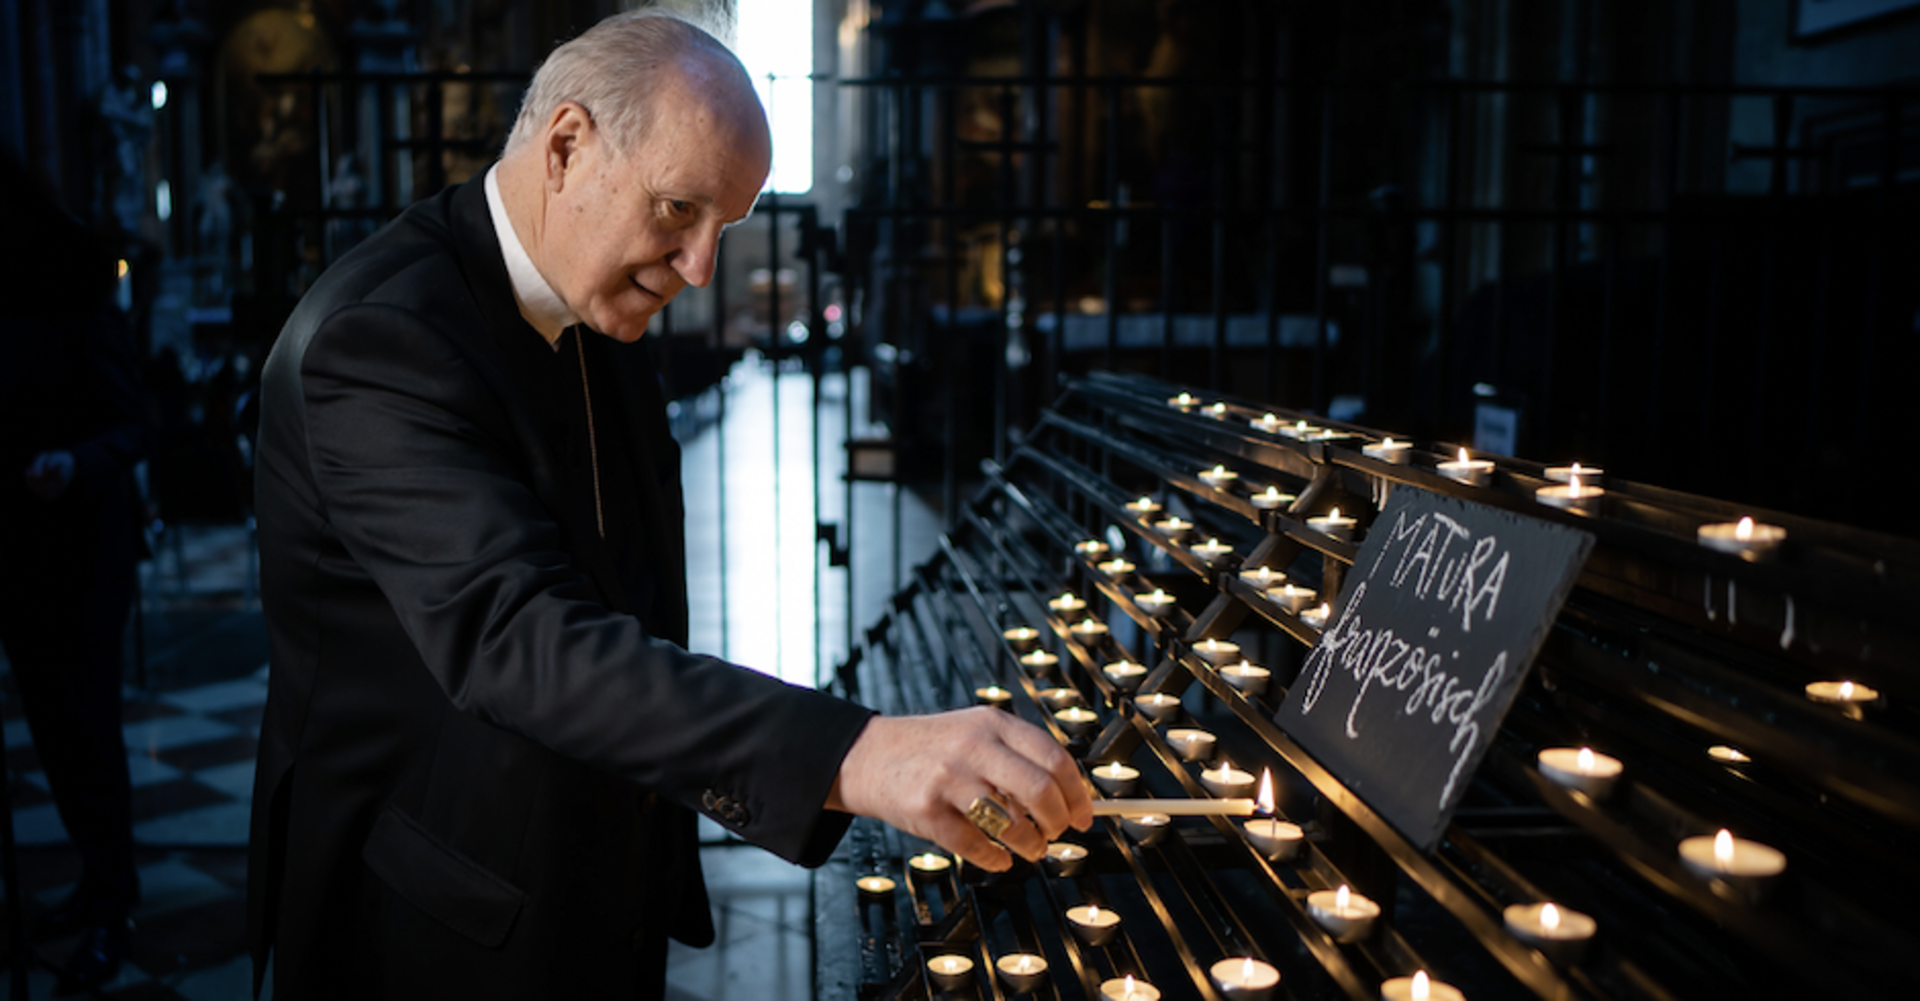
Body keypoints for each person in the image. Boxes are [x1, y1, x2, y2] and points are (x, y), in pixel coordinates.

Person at [248, 11, 1091, 999]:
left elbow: (631, 598)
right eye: (678, 209)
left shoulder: (597, 303)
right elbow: (519, 634)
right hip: (437, 909)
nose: (699, 269)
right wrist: (855, 751)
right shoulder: (381, 338)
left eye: (721, 229)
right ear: (566, 146)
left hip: (592, 876)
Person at [0, 153, 150, 995]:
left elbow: (131, 425)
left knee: (89, 733)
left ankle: (112, 901)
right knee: (52, 734)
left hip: (84, 552)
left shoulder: (80, 295)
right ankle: (94, 881)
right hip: (18, 553)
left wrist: (73, 460)